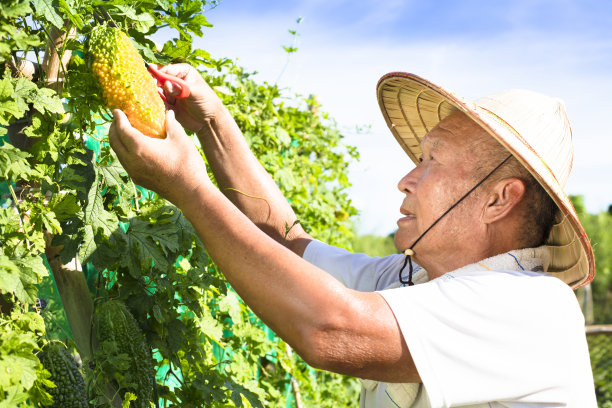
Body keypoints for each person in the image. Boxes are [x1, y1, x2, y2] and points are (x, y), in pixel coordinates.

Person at [109, 65, 597, 407]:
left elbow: (330, 329)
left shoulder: (534, 309)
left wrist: (189, 187)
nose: (406, 179)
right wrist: (214, 124)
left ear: (498, 199)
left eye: (431, 160)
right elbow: (288, 242)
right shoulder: (411, 279)